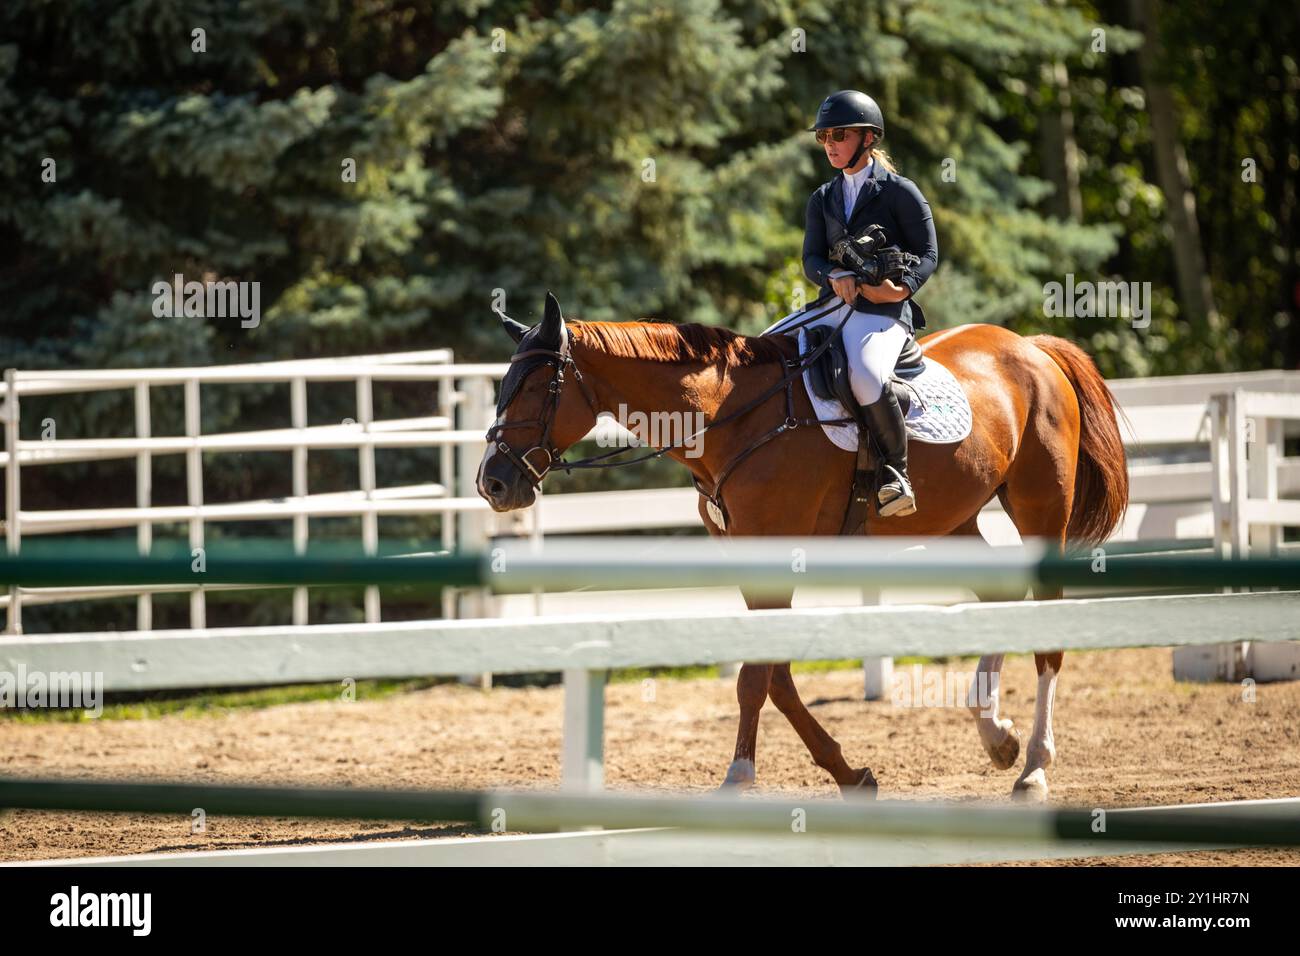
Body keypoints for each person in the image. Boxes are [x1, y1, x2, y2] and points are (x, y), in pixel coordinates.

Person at [802, 89, 938, 517]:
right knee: (769, 348)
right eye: (824, 136)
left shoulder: (900, 192)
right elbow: (811, 258)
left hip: (884, 311)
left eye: (838, 134)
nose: (830, 144)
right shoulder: (822, 197)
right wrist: (833, 275)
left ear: (868, 138)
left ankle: (897, 475)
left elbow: (929, 253)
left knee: (865, 373)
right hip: (833, 305)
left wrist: (901, 289)